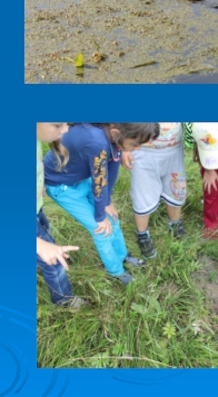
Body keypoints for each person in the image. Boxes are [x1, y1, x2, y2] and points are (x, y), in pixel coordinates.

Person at [44, 123, 160, 285]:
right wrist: (99, 216)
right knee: (101, 230)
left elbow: (111, 166)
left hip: (80, 178)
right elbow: (100, 182)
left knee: (112, 218)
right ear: (115, 132)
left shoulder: (113, 137)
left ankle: (122, 256)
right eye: (135, 144)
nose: (138, 149)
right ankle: (115, 271)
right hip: (62, 187)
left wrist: (106, 202)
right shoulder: (97, 143)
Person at [37, 123, 84, 308]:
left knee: (46, 233)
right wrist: (38, 244)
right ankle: (64, 301)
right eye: (58, 124)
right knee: (53, 260)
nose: (65, 130)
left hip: (37, 208)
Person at [123, 123, 187, 260]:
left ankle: (175, 223)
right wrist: (125, 149)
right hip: (143, 152)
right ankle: (142, 234)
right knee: (142, 194)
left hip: (174, 151)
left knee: (176, 189)